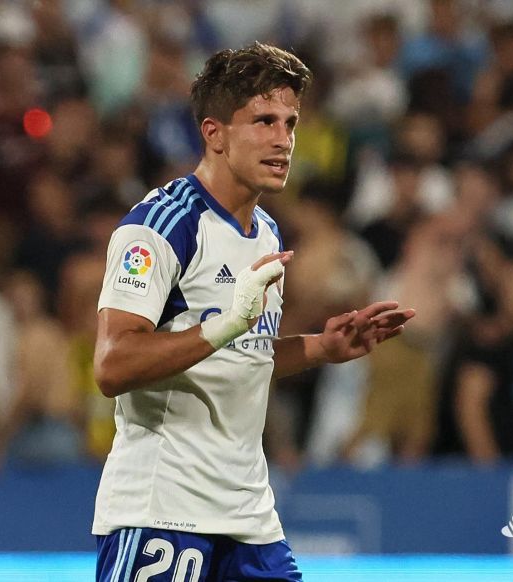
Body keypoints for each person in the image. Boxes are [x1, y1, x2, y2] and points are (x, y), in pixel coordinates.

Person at [92, 42, 415, 581]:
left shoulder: (265, 232)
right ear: (213, 133)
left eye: (290, 123)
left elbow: (241, 356)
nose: (283, 140)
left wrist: (319, 348)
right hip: (162, 510)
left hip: (247, 517)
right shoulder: (160, 226)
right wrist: (223, 325)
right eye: (263, 121)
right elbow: (112, 366)